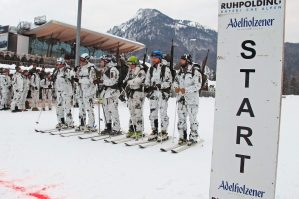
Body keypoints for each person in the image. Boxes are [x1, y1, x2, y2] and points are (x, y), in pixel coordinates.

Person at [173, 54, 202, 146]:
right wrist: (176, 88)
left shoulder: (195, 72)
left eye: (183, 60)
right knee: (181, 119)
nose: (181, 61)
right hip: (181, 99)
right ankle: (182, 137)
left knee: (192, 118)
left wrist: (186, 90)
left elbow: (198, 85)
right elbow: (175, 82)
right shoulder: (179, 73)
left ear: (188, 61)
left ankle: (193, 136)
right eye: (180, 60)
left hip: (192, 100)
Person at [144, 50, 173, 141]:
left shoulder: (165, 69)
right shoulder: (151, 69)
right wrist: (147, 87)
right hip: (153, 94)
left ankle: (163, 131)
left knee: (163, 112)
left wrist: (161, 85)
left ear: (159, 58)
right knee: (153, 113)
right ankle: (154, 130)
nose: (153, 59)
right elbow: (147, 80)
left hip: (162, 93)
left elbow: (169, 82)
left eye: (155, 57)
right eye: (152, 57)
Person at [123, 56, 146, 139]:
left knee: (138, 112)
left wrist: (129, 82)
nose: (130, 65)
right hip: (130, 93)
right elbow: (125, 80)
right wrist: (127, 83)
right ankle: (132, 128)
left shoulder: (141, 71)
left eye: (131, 63)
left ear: (135, 63)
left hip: (138, 93)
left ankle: (139, 130)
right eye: (129, 64)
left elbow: (138, 81)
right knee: (131, 112)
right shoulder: (130, 71)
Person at [99, 55, 122, 135]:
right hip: (106, 93)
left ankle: (117, 128)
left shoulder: (113, 69)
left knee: (113, 110)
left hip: (113, 92)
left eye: (102, 61)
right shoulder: (105, 69)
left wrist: (102, 82)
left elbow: (112, 82)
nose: (101, 62)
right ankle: (108, 127)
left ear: (107, 61)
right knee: (105, 110)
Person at [75, 53, 97, 132]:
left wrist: (79, 80)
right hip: (81, 91)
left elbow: (91, 80)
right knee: (81, 108)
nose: (80, 61)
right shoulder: (80, 68)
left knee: (89, 108)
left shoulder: (91, 68)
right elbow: (77, 77)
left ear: (86, 60)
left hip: (89, 91)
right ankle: (82, 123)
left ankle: (91, 125)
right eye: (80, 59)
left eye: (82, 60)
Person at [52, 57, 74, 129]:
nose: (57, 65)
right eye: (57, 63)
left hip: (66, 92)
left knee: (67, 107)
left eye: (59, 63)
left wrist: (69, 76)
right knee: (59, 107)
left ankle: (69, 123)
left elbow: (72, 77)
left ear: (62, 63)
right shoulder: (57, 71)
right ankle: (61, 122)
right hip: (59, 91)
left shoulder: (67, 70)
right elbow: (54, 79)